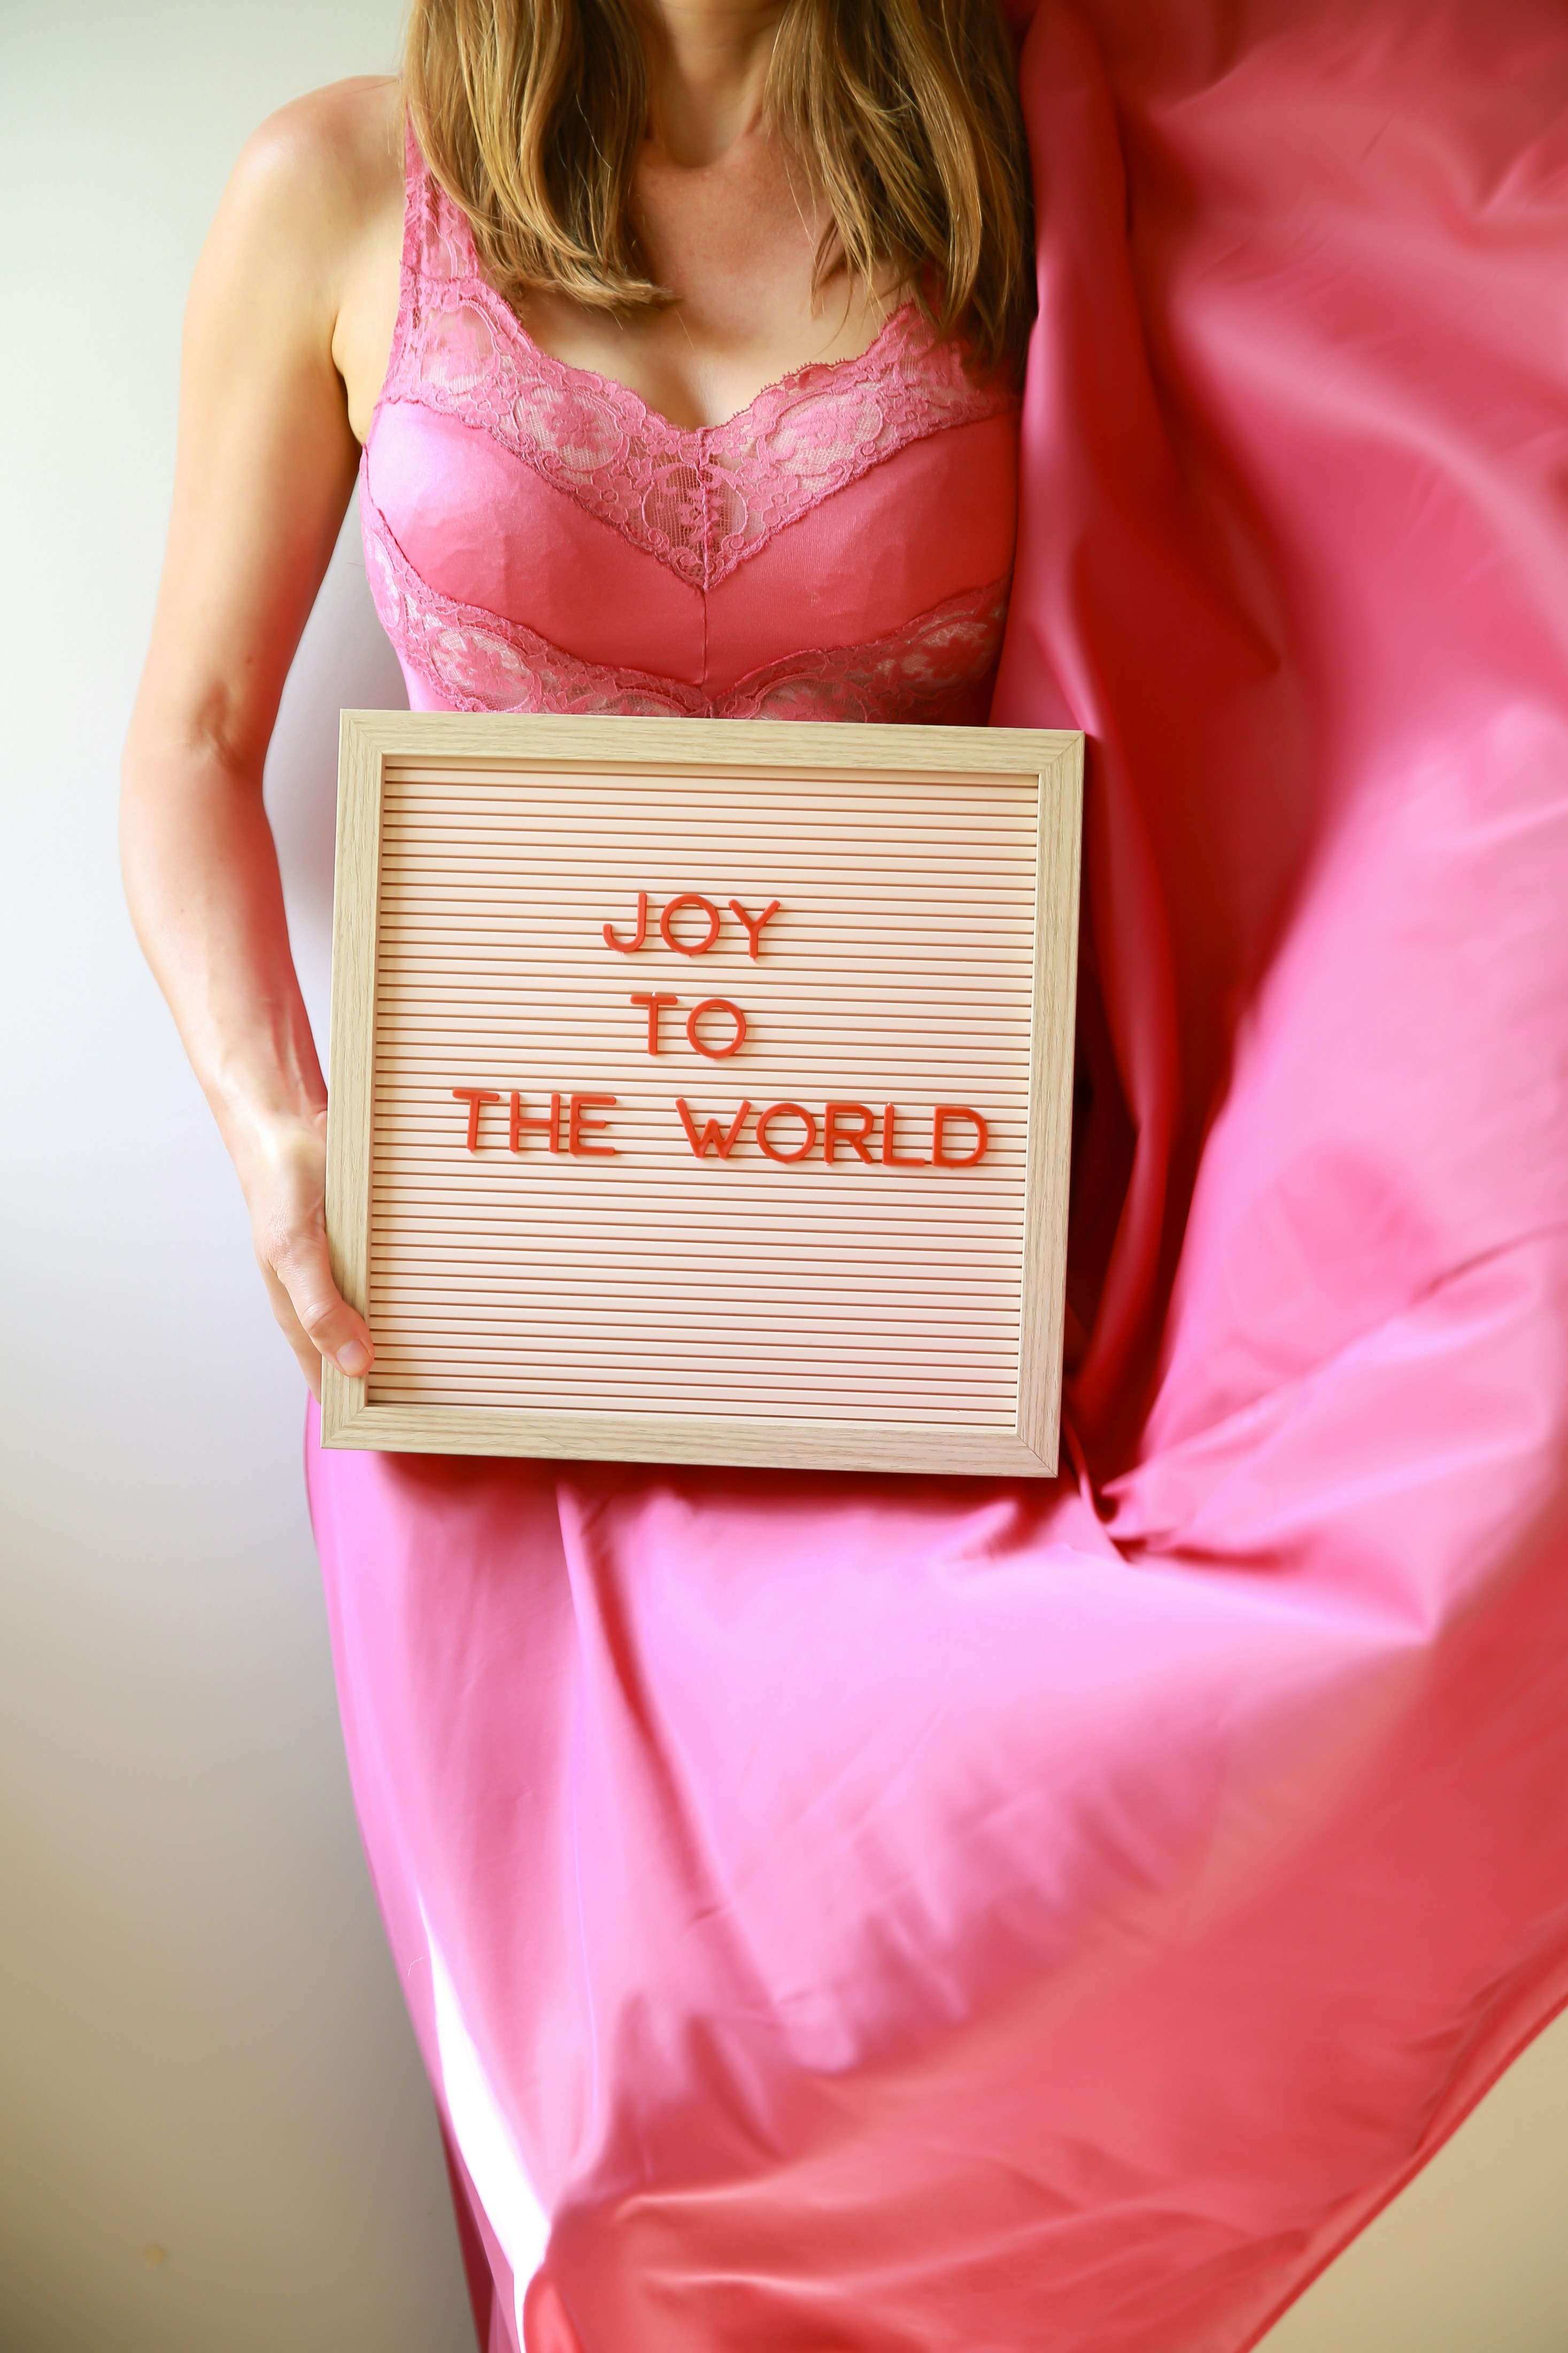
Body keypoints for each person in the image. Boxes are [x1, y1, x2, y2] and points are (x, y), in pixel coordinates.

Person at [123, 2, 1568, 2349]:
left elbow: (1359, 425)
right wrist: (275, 1129)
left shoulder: (1027, 162)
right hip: (495, 1319)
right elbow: (183, 745)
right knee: (601, 2150)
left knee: (954, 2044)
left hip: (934, 1313)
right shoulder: (334, 190)